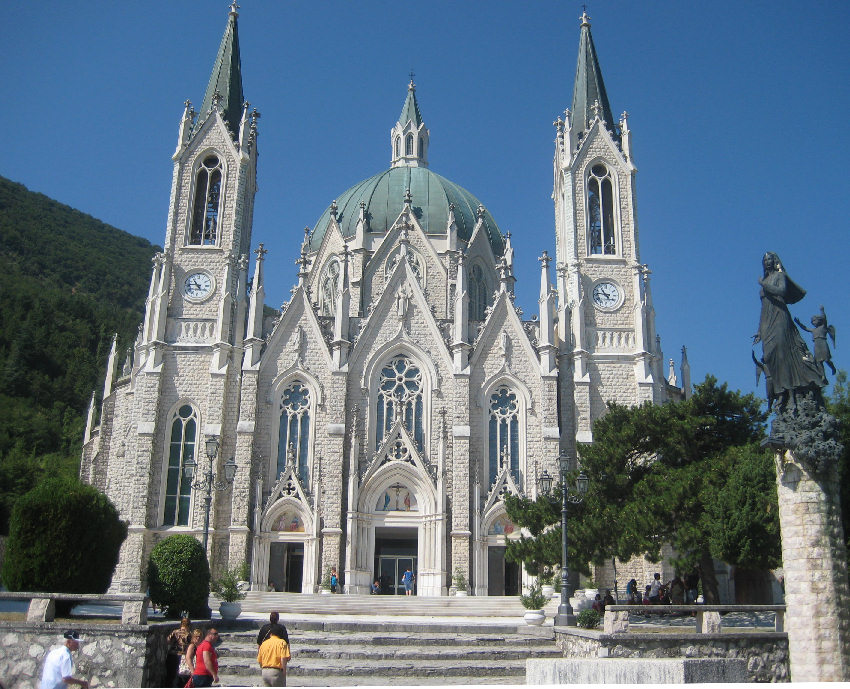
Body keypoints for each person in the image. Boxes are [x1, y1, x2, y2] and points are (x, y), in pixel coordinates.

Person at [754, 252, 825, 409]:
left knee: (782, 354)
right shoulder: (765, 280)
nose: (767, 262)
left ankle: (789, 393)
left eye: (769, 259)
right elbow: (763, 309)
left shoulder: (779, 276)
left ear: (775, 261)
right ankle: (780, 392)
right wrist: (759, 331)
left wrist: (764, 285)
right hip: (768, 321)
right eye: (764, 260)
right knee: (769, 355)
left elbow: (781, 292)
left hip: (780, 317)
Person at [795, 306, 836, 376]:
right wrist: (799, 323)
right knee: (819, 361)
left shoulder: (823, 327)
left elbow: (825, 319)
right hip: (816, 345)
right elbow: (805, 328)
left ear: (819, 320)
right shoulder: (813, 330)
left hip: (823, 343)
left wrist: (822, 311)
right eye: (812, 321)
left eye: (814, 320)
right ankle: (823, 375)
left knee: (826, 359)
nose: (813, 322)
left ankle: (833, 368)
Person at [166, 617, 192, 687]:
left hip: (172, 654)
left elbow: (168, 641)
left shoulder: (175, 632)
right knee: (181, 676)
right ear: (189, 625)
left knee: (171, 674)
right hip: (183, 656)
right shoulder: (189, 634)